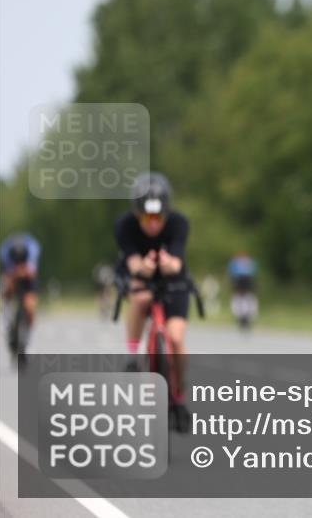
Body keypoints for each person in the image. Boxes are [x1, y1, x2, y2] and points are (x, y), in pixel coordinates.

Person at [115, 172, 192, 431]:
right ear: (137, 214)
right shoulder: (124, 226)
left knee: (177, 337)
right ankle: (132, 355)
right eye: (147, 217)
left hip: (173, 279)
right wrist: (146, 267)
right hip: (140, 274)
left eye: (158, 217)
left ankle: (179, 397)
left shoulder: (179, 223)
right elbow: (134, 264)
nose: (152, 224)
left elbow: (178, 261)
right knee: (141, 296)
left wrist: (168, 263)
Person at [0, 232, 41, 358]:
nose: (19, 264)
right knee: (7, 289)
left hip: (28, 279)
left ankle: (26, 336)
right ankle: (8, 323)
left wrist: (23, 271)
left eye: (20, 261)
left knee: (30, 306)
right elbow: (8, 274)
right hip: (12, 275)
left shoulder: (33, 249)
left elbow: (31, 273)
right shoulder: (5, 252)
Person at [228, 252, 259, 330]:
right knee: (241, 300)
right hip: (242, 284)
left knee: (246, 300)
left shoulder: (239, 263)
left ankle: (245, 318)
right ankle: (243, 318)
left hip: (245, 284)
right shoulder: (247, 263)